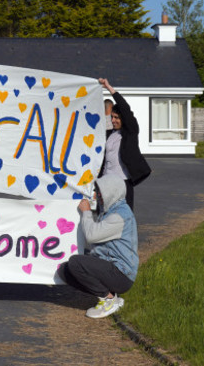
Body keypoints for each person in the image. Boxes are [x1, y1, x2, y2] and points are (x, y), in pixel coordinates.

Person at [57, 174, 138, 319]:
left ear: (111, 193)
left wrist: (86, 212)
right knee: (65, 270)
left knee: (76, 263)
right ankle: (111, 295)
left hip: (121, 275)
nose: (96, 196)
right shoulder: (111, 211)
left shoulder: (119, 216)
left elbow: (91, 236)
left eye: (99, 193)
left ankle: (108, 300)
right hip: (112, 268)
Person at [98, 78, 151, 210]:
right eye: (112, 117)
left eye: (117, 118)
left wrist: (109, 88)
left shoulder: (130, 132)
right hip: (105, 183)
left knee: (123, 219)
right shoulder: (110, 134)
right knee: (104, 216)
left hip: (122, 183)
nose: (113, 120)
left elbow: (125, 109)